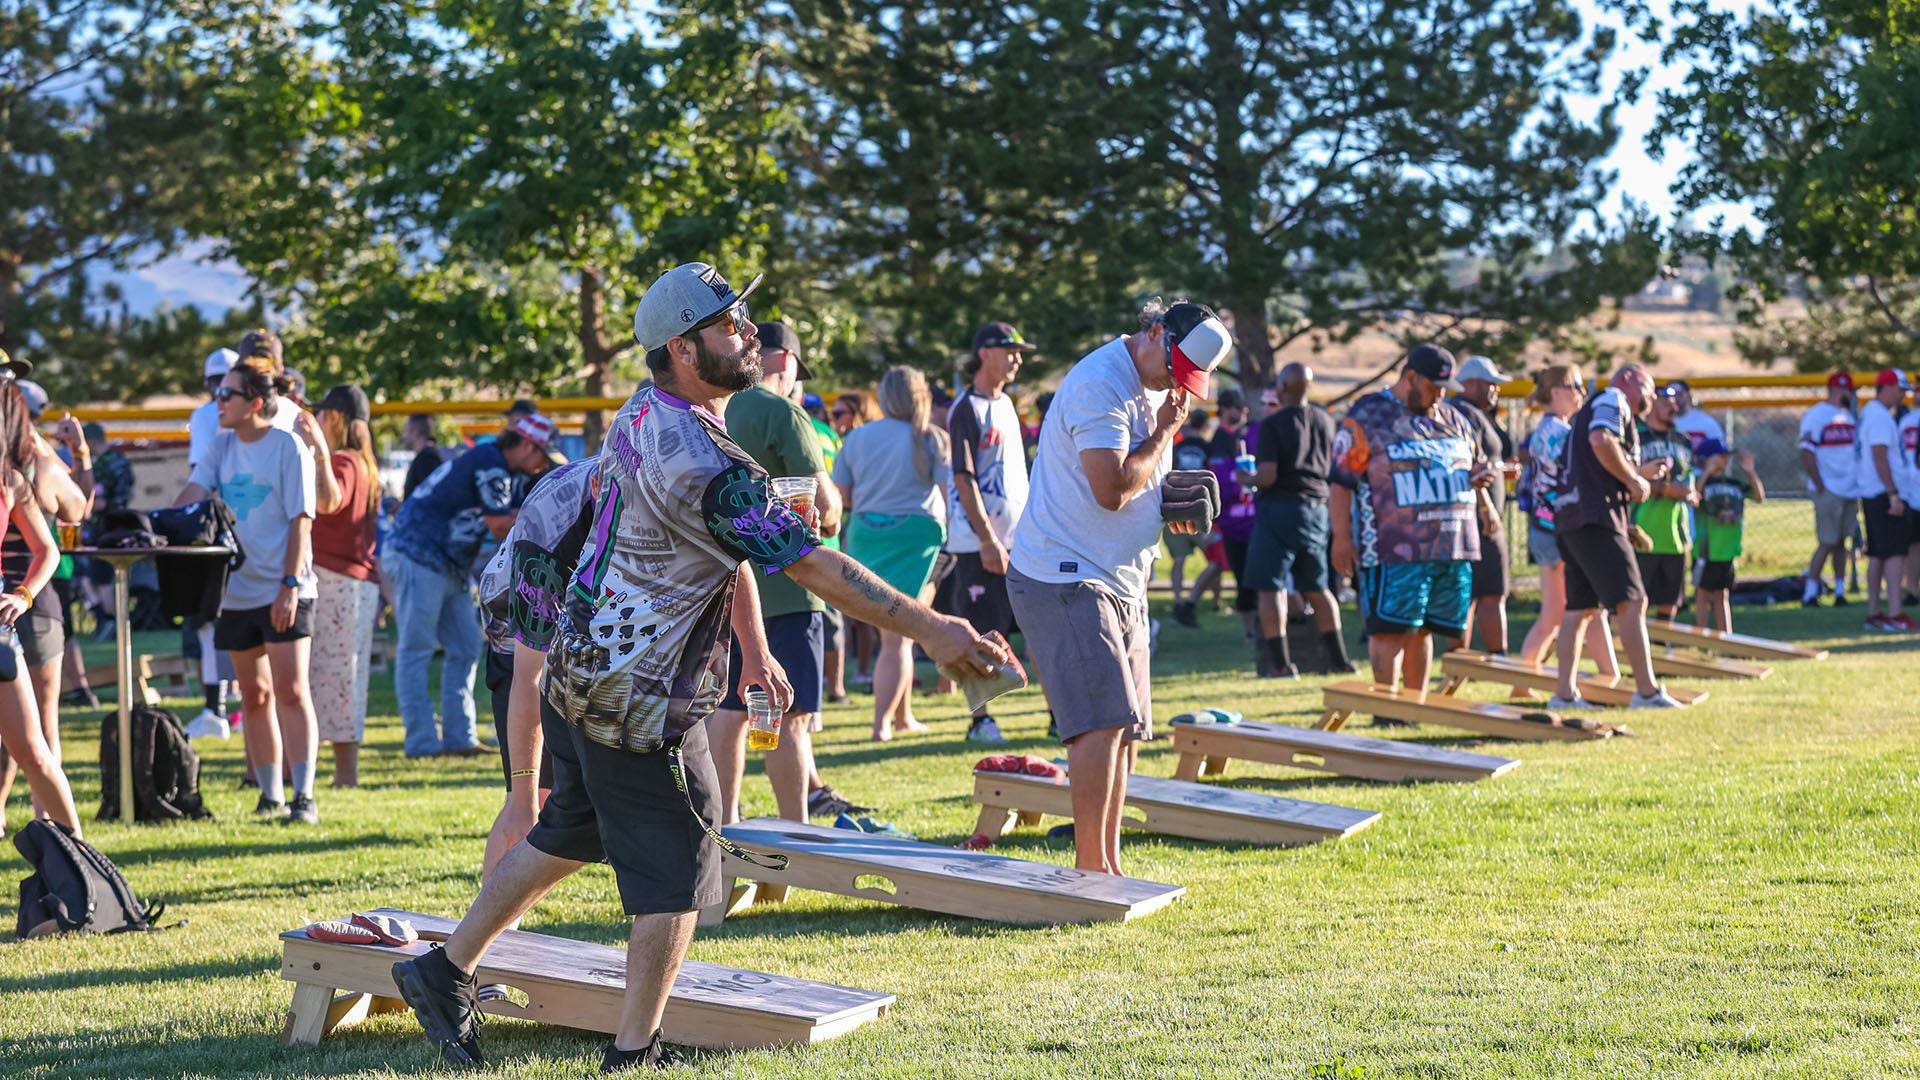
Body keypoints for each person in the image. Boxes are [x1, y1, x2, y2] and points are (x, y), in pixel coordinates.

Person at [388, 262, 1004, 1071]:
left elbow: (726, 549)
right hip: (634, 702)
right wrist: (932, 626)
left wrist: (753, 644)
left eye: (743, 319)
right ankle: (633, 1052)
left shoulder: (646, 414)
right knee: (678, 878)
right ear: (683, 348)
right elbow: (811, 565)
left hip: (583, 677)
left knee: (566, 833)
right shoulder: (703, 461)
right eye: (729, 325)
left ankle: (442, 969)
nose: (748, 334)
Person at [1008, 299, 1231, 876]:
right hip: (1067, 573)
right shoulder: (1098, 383)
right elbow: (1110, 487)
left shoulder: (1160, 388)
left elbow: (1142, 483)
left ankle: (1107, 864)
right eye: (1172, 367)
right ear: (1154, 332)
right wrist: (1163, 435)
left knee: (1126, 730)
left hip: (1122, 576)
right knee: (1098, 725)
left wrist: (1171, 504)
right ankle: (1090, 871)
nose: (1173, 384)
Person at [712, 320, 870, 823]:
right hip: (788, 589)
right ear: (784, 362)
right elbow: (824, 507)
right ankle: (793, 833)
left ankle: (724, 829)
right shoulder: (784, 413)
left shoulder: (711, 407)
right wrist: (835, 510)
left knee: (731, 713)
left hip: (722, 589)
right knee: (788, 717)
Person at [174, 356, 327, 822]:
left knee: (291, 691)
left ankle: (303, 796)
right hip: (235, 592)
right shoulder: (220, 446)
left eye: (227, 394)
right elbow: (192, 495)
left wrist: (289, 585)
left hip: (285, 588)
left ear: (256, 402)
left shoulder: (286, 447)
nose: (217, 401)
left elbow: (302, 519)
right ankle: (269, 795)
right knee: (253, 695)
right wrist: (150, 526)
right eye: (217, 392)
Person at [385, 412, 559, 758]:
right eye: (542, 455)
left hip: (446, 562)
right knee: (416, 649)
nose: (542, 465)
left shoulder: (494, 463)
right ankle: (421, 742)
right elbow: (498, 526)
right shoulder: (492, 464)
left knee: (465, 645)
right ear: (526, 445)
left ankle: (458, 738)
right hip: (418, 555)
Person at [475, 461, 592, 884]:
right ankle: (484, 937)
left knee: (576, 805)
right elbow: (529, 676)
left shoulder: (663, 484)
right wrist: (521, 794)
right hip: (519, 642)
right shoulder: (549, 530)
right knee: (529, 808)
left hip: (587, 641)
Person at [1546, 365, 1685, 711]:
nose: (1651, 400)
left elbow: (1596, 463)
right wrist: (1636, 482)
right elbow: (1601, 440)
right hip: (1596, 518)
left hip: (1570, 517)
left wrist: (1638, 476)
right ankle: (1647, 692)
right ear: (1628, 379)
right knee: (1633, 601)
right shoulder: (1614, 398)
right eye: (1649, 390)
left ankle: (1564, 695)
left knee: (1580, 608)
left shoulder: (1590, 410)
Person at [835, 366, 951, 741]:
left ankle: (902, 717)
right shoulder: (931, 438)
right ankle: (882, 723)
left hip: (868, 534)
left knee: (899, 631)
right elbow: (950, 496)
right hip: (919, 537)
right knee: (898, 637)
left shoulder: (858, 438)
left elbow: (844, 497)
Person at [0, 376, 85, 838]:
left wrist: (23, 593)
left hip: (11, 625)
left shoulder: (13, 478)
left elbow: (50, 547)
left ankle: (78, 855)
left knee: (34, 745)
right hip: (26, 623)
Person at [948, 321, 1037, 743]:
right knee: (981, 633)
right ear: (985, 352)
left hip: (1019, 539)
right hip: (978, 542)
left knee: (1036, 624)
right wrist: (986, 538)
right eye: (1010, 349)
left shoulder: (1006, 404)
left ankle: (1057, 713)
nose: (1018, 358)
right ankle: (981, 720)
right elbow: (964, 478)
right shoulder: (967, 407)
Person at [1512, 365, 1618, 683]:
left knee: (1578, 609)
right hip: (1554, 530)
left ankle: (1607, 675)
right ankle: (1525, 680)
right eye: (1576, 386)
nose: (1582, 394)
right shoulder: (1557, 433)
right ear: (1557, 392)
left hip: (1551, 528)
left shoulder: (1552, 430)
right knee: (1567, 611)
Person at [1248, 363, 1354, 677]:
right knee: (1319, 589)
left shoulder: (1273, 424)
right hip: (1317, 511)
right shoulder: (1326, 420)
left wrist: (1246, 478)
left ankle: (1282, 664)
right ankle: (1340, 660)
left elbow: (1268, 476)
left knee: (1271, 589)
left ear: (1282, 388)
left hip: (1279, 509)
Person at [309, 386, 383, 785]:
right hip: (354, 583)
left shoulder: (343, 462)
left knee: (333, 679)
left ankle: (343, 774)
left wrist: (317, 452)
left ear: (333, 418)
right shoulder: (365, 463)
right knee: (344, 679)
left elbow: (328, 503)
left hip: (336, 581)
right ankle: (342, 773)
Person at [1445, 356, 1516, 655]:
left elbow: (1486, 463)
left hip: (1479, 517)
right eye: (1491, 385)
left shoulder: (1475, 413)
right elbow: (1470, 466)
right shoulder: (1463, 414)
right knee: (1482, 594)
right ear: (1470, 384)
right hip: (1478, 519)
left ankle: (1469, 661)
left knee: (1481, 593)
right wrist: (1485, 507)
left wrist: (1501, 469)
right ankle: (1474, 661)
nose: (1496, 391)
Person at [185, 348, 240, 734]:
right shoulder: (215, 417)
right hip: (245, 525)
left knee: (214, 621)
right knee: (225, 619)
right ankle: (223, 707)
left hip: (219, 527)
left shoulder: (205, 416)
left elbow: (197, 480)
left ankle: (218, 708)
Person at [1189, 388, 1257, 640]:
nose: (1244, 412)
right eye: (1239, 408)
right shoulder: (1220, 440)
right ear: (1226, 410)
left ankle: (1191, 605)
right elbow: (1218, 481)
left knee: (1232, 569)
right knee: (1230, 570)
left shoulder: (1244, 435)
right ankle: (1188, 605)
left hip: (1247, 519)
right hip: (1227, 520)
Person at [1634, 385, 1699, 621]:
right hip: (1643, 530)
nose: (1674, 407)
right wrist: (1664, 489)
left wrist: (1688, 492)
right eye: (1666, 402)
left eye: (1675, 404)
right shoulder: (1636, 438)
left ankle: (1663, 646)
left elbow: (1689, 478)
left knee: (1670, 599)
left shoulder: (1683, 441)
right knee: (1635, 599)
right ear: (1651, 403)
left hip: (1675, 534)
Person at [1799, 373, 1862, 607]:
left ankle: (1839, 590)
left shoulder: (1848, 416)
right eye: (1849, 391)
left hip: (1849, 488)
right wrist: (1821, 484)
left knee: (1841, 543)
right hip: (1829, 488)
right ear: (1838, 390)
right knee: (1826, 541)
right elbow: (1806, 452)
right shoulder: (1817, 415)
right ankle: (1810, 591)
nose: (1851, 395)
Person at [1857, 370, 1913, 631]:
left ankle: (1874, 612)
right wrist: (1892, 493)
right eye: (1900, 390)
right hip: (1883, 493)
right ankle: (1894, 613)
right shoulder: (1879, 416)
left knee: (1878, 554)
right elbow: (1879, 455)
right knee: (1894, 554)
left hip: (1873, 492)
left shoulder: (1872, 413)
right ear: (1887, 387)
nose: (1903, 396)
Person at [1695, 440, 1764, 632]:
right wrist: (1707, 471)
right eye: (1720, 455)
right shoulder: (1701, 481)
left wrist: (1750, 471)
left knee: (1721, 595)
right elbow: (1694, 497)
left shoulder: (1733, 483)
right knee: (1703, 594)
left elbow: (1759, 497)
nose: (1725, 459)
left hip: (1728, 549)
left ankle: (1726, 637)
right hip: (1707, 549)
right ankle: (1701, 638)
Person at [1165, 408, 1213, 625]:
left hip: (1176, 505)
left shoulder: (1178, 446)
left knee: (1179, 560)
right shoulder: (1207, 447)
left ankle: (1177, 599)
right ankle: (1216, 600)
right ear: (1204, 426)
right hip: (1200, 508)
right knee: (1214, 559)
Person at [1666, 380, 1727, 454]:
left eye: (1679, 394)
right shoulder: (1661, 421)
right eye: (1670, 396)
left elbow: (1721, 452)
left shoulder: (1706, 422)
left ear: (1688, 396)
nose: (1675, 399)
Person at [401, 414, 447, 499]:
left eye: (406, 431)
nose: (404, 436)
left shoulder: (426, 459)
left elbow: (431, 498)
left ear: (415, 431)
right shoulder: (428, 456)